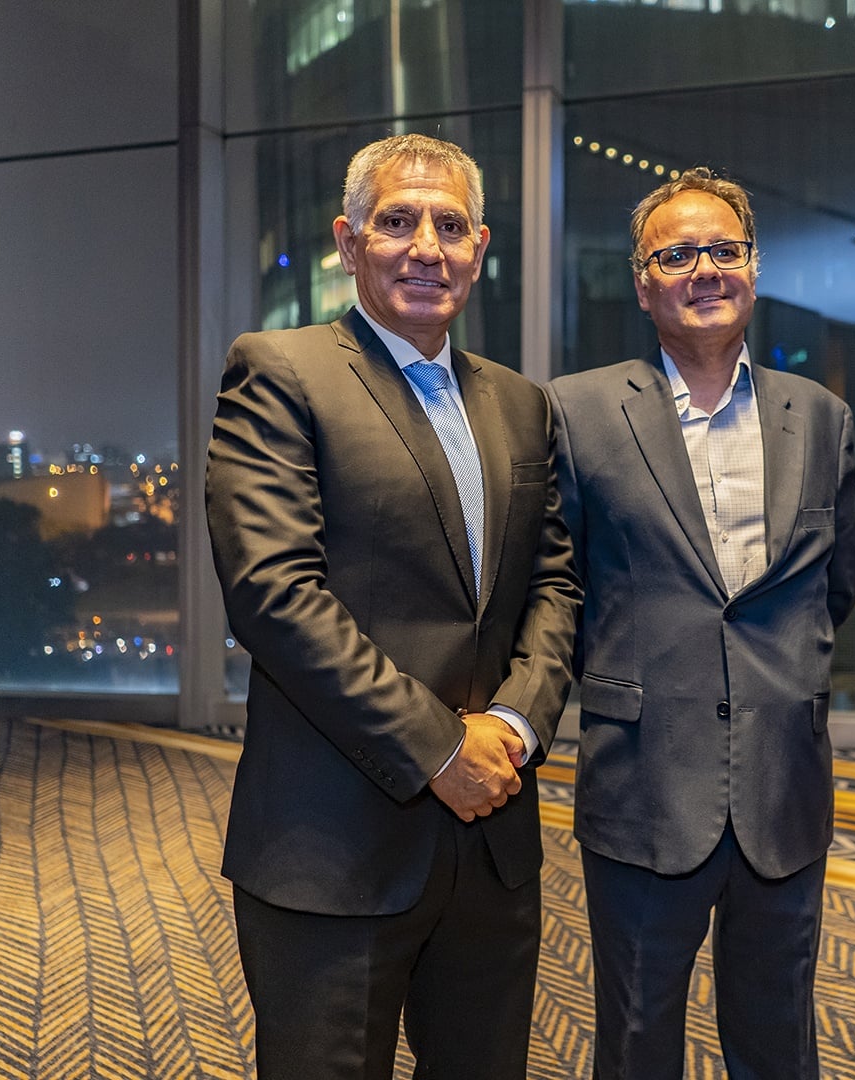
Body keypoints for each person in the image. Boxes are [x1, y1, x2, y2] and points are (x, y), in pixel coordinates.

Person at [205, 133, 579, 1080]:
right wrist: (441, 748)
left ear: (479, 248)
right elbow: (273, 595)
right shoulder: (281, 371)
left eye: (450, 226)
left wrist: (513, 727)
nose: (426, 248)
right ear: (349, 241)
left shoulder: (522, 404)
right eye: (398, 221)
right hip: (334, 845)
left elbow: (554, 583)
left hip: (492, 839)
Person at [546, 167, 855, 1080]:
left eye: (725, 249)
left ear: (753, 270)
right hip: (643, 780)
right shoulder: (577, 411)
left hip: (783, 781)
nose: (705, 270)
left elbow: (835, 587)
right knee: (637, 1040)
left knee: (778, 1040)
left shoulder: (822, 417)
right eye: (677, 255)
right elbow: (560, 585)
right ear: (643, 284)